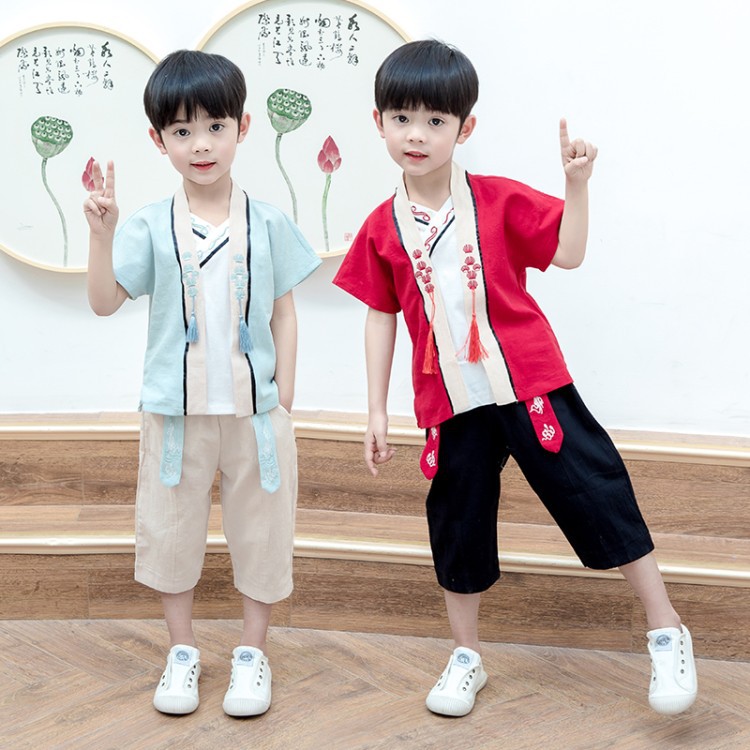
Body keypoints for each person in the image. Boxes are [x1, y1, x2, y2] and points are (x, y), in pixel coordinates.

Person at [333, 39, 697, 718]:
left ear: (465, 127)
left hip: (529, 383)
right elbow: (381, 316)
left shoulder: (497, 200)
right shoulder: (381, 228)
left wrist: (577, 186)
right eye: (402, 118)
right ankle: (466, 655)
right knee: (457, 520)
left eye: (436, 121)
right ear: (378, 122)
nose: (417, 135)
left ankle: (666, 628)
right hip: (450, 399)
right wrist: (376, 410)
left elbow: (569, 253)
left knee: (595, 488)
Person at [84, 49, 321, 717]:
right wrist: (101, 236)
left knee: (262, 531)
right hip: (175, 413)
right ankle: (182, 650)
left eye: (215, 127)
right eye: (182, 132)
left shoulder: (268, 221)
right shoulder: (148, 225)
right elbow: (104, 302)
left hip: (255, 414)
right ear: (158, 140)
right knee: (170, 529)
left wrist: (283, 400)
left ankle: (252, 652)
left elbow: (284, 313)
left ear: (242, 127)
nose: (201, 145)